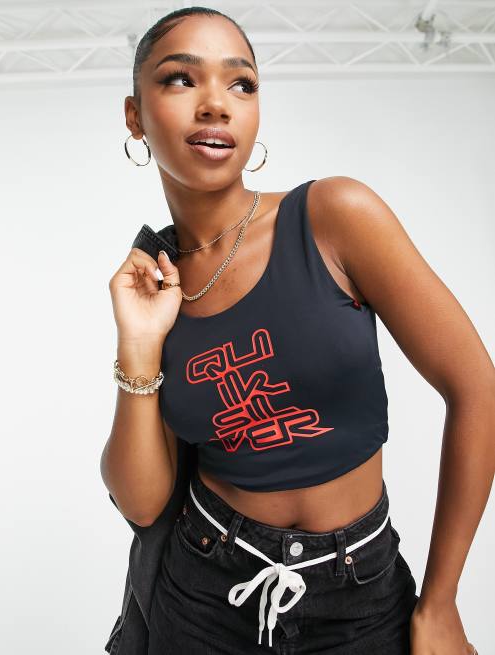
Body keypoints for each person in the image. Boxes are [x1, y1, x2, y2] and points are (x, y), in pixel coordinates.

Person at [101, 6, 493, 655]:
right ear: (134, 116)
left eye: (241, 83)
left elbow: (476, 387)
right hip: (203, 591)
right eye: (180, 79)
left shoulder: (333, 216)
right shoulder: (157, 282)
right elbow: (142, 504)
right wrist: (139, 346)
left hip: (361, 595)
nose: (215, 103)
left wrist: (441, 599)